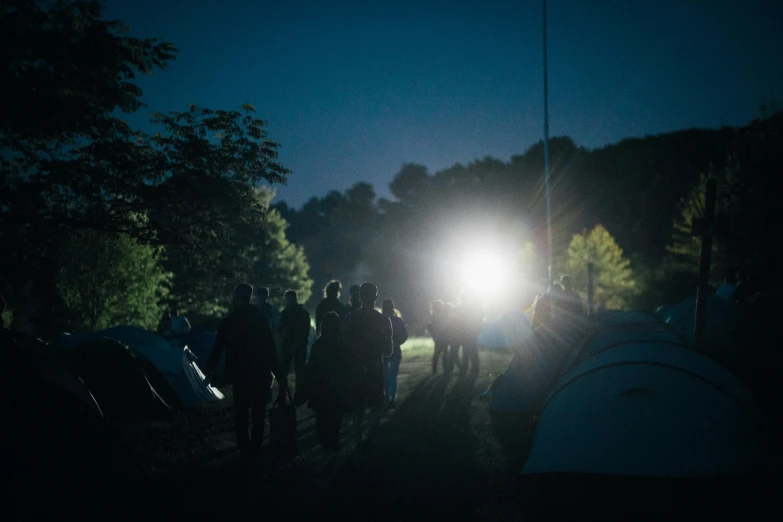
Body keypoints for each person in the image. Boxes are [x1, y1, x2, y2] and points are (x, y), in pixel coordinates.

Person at [205, 284, 285, 470]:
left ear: (238, 298)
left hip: (239, 374)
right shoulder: (261, 318)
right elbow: (271, 348)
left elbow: (218, 347)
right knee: (258, 414)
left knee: (241, 414)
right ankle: (255, 451)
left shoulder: (230, 320)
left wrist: (210, 368)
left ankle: (245, 451)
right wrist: (278, 373)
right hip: (260, 374)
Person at [344, 282, 392, 443]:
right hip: (375, 369)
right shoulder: (384, 320)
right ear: (376, 297)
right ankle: (371, 437)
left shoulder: (351, 318)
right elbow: (388, 351)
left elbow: (346, 344)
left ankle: (357, 440)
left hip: (356, 369)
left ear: (361, 297)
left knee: (357, 407)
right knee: (376, 405)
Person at [305, 311, 352, 454]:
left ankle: (328, 452)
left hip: (321, 391)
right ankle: (333, 453)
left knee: (322, 425)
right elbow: (349, 368)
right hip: (339, 391)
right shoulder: (343, 344)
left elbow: (312, 368)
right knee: (335, 426)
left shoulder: (318, 345)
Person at [278, 289, 312, 405]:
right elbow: (280, 330)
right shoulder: (286, 313)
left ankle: (294, 396)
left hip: (298, 346)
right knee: (289, 372)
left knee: (298, 373)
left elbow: (305, 332)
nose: (289, 302)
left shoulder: (300, 313)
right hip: (292, 346)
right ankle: (285, 395)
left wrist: (296, 344)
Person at [382, 298, 408, 408]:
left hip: (383, 352)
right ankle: (391, 395)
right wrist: (396, 342)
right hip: (395, 350)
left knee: (385, 375)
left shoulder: (379, 320)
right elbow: (404, 336)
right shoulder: (398, 320)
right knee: (392, 375)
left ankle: (388, 395)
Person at [454, 289, 482, 378]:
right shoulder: (471, 307)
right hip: (468, 333)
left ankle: (469, 369)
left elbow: (476, 320)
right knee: (470, 351)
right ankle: (472, 369)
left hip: (468, 333)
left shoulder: (465, 307)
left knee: (468, 352)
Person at [428, 300, 451, 375]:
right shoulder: (440, 315)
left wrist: (434, 336)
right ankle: (445, 370)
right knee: (444, 354)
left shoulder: (433, 315)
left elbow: (430, 327)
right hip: (443, 337)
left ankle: (434, 371)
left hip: (438, 337)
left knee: (437, 355)